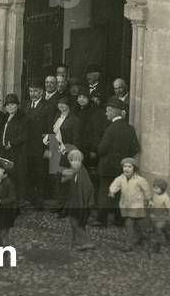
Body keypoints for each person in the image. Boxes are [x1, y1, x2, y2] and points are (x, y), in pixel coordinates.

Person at [95, 98, 139, 228]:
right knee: (120, 193)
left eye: (108, 111)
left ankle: (101, 220)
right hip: (122, 167)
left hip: (107, 166)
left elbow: (102, 149)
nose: (106, 113)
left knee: (104, 192)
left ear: (115, 112)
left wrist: (100, 151)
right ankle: (119, 220)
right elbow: (135, 148)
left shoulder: (110, 129)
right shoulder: (130, 128)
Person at [108, 157, 151, 251]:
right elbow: (115, 185)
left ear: (134, 168)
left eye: (129, 167)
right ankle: (140, 238)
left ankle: (129, 244)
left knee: (131, 223)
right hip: (125, 204)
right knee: (134, 224)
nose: (126, 169)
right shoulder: (121, 178)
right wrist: (112, 191)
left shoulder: (139, 180)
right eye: (124, 166)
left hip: (137, 205)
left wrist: (148, 200)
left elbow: (146, 189)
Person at [46, 96, 80, 211]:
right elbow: (53, 132)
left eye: (64, 104)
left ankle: (65, 206)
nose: (61, 106)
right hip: (55, 149)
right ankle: (59, 203)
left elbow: (76, 138)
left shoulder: (74, 119)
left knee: (64, 179)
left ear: (69, 105)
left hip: (66, 151)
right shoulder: (57, 116)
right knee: (56, 178)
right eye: (59, 103)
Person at [23, 79, 52, 209]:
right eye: (30, 91)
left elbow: (51, 128)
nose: (32, 94)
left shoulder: (48, 106)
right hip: (27, 146)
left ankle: (40, 200)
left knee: (41, 173)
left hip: (40, 147)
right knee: (29, 172)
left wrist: (48, 148)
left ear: (41, 92)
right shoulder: (26, 105)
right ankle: (30, 198)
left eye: (35, 91)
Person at [59, 149, 95, 251]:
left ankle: (87, 241)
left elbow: (87, 187)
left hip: (79, 201)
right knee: (72, 220)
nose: (74, 162)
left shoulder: (82, 172)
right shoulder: (74, 171)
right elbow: (64, 180)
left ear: (81, 161)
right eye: (72, 160)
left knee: (75, 222)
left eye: (77, 160)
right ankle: (73, 240)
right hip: (74, 200)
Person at [0, 94, 28, 206]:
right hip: (6, 151)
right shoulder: (6, 117)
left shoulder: (23, 118)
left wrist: (11, 143)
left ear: (17, 106)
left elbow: (24, 135)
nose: (10, 107)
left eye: (13, 105)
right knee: (8, 174)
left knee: (17, 175)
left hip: (17, 152)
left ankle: (18, 200)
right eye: (8, 105)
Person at [148, 178, 170, 253]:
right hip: (155, 215)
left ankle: (157, 246)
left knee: (158, 230)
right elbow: (152, 201)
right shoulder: (155, 194)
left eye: (156, 188)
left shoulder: (165, 198)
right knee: (160, 229)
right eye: (153, 187)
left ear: (162, 189)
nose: (154, 190)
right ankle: (168, 236)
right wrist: (150, 204)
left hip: (162, 217)